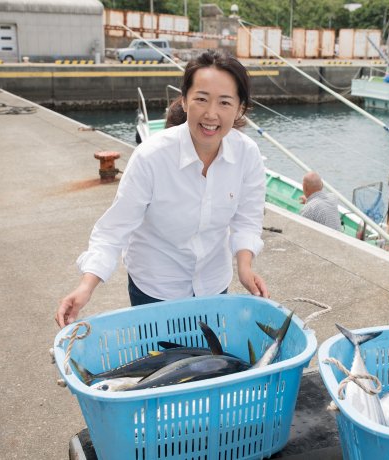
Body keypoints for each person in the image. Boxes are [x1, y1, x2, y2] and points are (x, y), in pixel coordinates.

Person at [56, 50, 269, 328]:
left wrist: (244, 266)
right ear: (184, 100)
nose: (211, 114)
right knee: (160, 362)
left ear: (240, 107)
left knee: (208, 361)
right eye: (201, 99)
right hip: (155, 286)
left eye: (225, 102)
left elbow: (247, 219)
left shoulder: (247, 154)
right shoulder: (151, 157)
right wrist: (86, 287)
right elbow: (114, 230)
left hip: (213, 283)